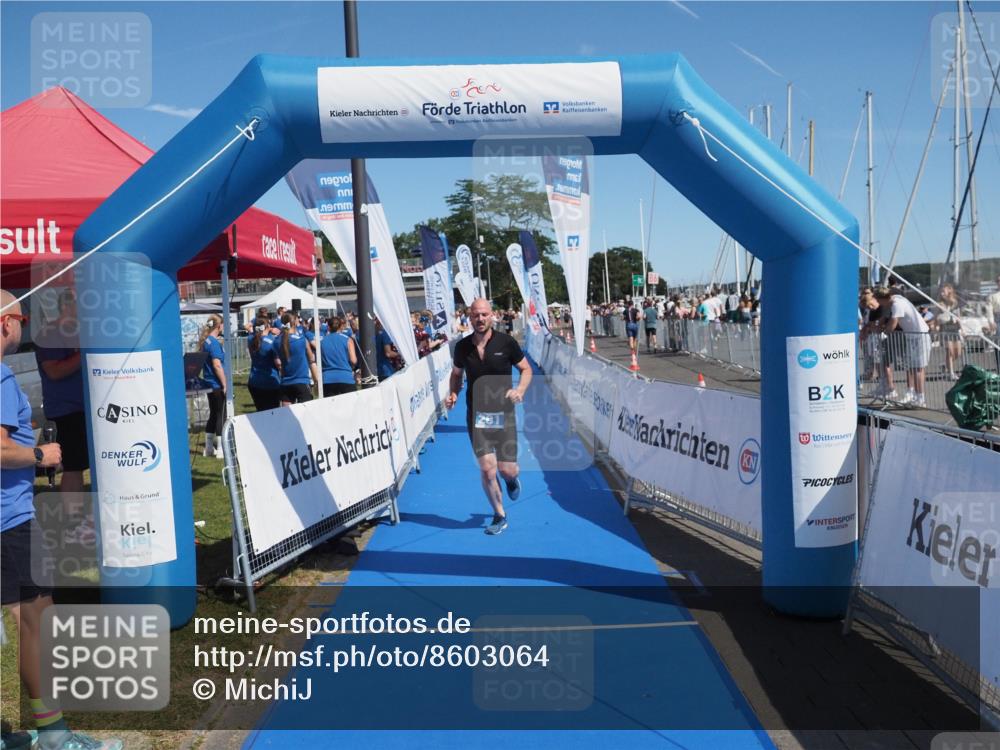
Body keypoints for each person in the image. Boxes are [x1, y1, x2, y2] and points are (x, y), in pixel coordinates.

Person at [2, 290, 123, 750]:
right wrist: (38, 453)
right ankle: (54, 735)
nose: (24, 325)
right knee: (38, 622)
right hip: (9, 520)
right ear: (5, 324)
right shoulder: (1, 377)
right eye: (21, 316)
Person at [445, 298, 532, 536]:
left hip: (504, 415)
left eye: (484, 315)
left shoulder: (507, 342)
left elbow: (526, 369)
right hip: (477, 415)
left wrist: (520, 390)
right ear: (469, 317)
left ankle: (512, 480)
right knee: (486, 469)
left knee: (507, 470)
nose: (480, 319)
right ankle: (499, 514)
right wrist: (453, 393)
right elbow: (456, 374)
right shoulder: (462, 347)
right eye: (476, 315)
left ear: (491, 315)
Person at [34, 289, 92, 544]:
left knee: (88, 464)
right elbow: (55, 372)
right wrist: (84, 352)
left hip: (91, 408)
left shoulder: (84, 330)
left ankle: (88, 519)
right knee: (74, 466)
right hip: (67, 410)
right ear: (68, 305)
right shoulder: (49, 334)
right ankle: (73, 525)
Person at [875, 287, 929, 407]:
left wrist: (884, 333)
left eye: (879, 301)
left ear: (883, 299)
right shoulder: (895, 299)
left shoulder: (896, 304)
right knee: (915, 368)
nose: (879, 304)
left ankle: (920, 398)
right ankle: (916, 396)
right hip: (913, 336)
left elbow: (893, 323)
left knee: (918, 369)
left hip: (920, 336)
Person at [198, 315, 226, 458]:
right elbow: (217, 365)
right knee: (221, 414)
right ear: (218, 326)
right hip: (216, 384)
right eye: (222, 324)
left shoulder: (206, 341)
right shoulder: (213, 343)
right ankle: (221, 449)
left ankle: (209, 448)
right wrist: (224, 384)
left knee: (214, 414)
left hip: (209, 382)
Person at [278, 312, 320, 404]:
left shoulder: (277, 341)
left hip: (285, 382)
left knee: (286, 415)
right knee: (305, 414)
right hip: (301, 380)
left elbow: (278, 362)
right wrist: (316, 379)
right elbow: (311, 358)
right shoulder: (302, 340)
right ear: (294, 321)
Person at [247, 316, 282, 411]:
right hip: (270, 382)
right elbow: (278, 363)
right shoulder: (272, 342)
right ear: (267, 326)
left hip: (254, 381)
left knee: (260, 411)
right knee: (272, 413)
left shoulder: (251, 339)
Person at [320, 316, 358, 396]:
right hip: (345, 377)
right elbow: (353, 360)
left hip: (328, 379)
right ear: (341, 326)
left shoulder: (322, 341)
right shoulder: (348, 339)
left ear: (328, 327)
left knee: (330, 407)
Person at [936, 283, 963, 381]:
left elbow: (959, 316)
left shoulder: (955, 303)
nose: (942, 293)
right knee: (950, 352)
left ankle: (944, 364)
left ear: (949, 291)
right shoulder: (940, 304)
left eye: (943, 291)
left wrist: (962, 329)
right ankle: (951, 373)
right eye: (941, 291)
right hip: (946, 329)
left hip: (955, 329)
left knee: (958, 353)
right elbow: (938, 317)